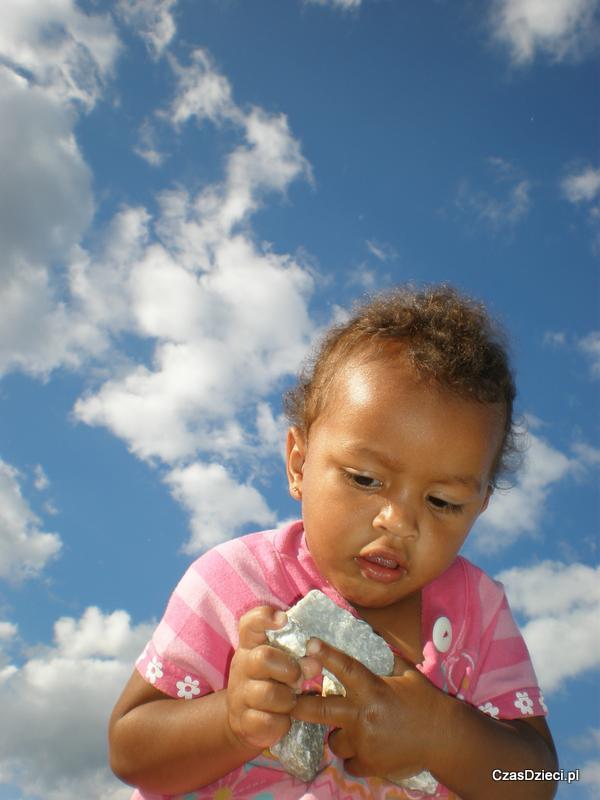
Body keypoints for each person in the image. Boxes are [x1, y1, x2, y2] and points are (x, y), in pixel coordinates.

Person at [109, 285, 558, 799]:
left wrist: (444, 735)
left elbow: (540, 779)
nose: (399, 522)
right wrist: (232, 721)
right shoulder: (235, 581)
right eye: (365, 480)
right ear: (299, 463)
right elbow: (130, 751)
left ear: (480, 506)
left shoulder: (479, 613)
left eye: (442, 502)